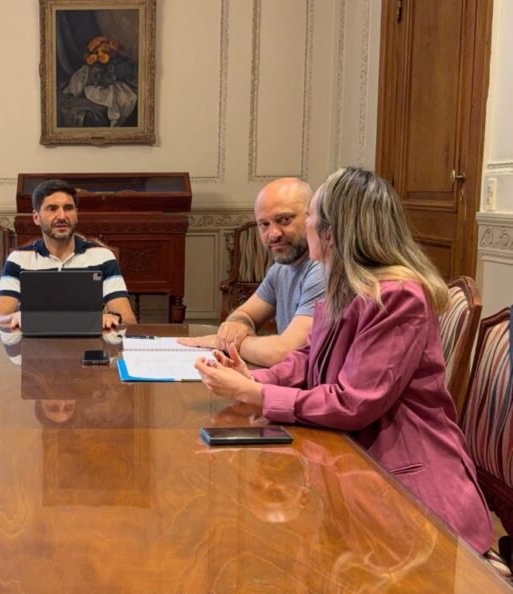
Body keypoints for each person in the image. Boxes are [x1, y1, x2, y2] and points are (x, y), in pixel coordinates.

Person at [194, 167, 494, 554]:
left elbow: (354, 402)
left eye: (310, 216)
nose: (306, 225)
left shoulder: (397, 295)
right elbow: (310, 358)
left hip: (408, 496)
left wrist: (258, 395)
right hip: (355, 465)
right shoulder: (347, 286)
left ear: (333, 232)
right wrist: (256, 379)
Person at [181, 178, 325, 367]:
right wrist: (238, 325)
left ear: (311, 217)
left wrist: (224, 342)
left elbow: (285, 353)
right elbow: (245, 314)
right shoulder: (280, 269)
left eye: (284, 220)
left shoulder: (323, 270)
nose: (273, 234)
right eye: (264, 224)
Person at [0, 179, 137, 329]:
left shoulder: (102, 256)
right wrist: (14, 317)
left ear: (76, 214)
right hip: (35, 342)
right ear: (36, 217)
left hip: (89, 341)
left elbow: (129, 320)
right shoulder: (19, 259)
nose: (61, 216)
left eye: (68, 208)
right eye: (52, 209)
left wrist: (112, 318)